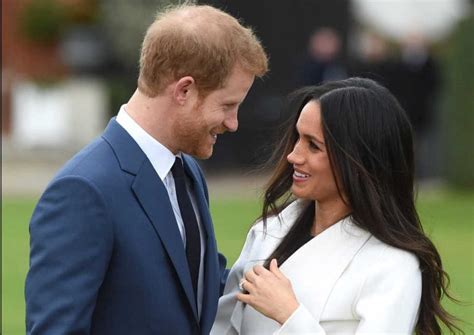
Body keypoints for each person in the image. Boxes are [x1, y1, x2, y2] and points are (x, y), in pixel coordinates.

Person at [25, 4, 268, 335]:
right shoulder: (83, 190)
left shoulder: (188, 172)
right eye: (227, 105)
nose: (233, 123)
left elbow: (198, 289)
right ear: (184, 90)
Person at [212, 78, 460, 334]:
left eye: (313, 145)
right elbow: (223, 324)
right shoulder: (270, 230)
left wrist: (290, 315)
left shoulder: (393, 265)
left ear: (358, 159)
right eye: (297, 138)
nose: (293, 156)